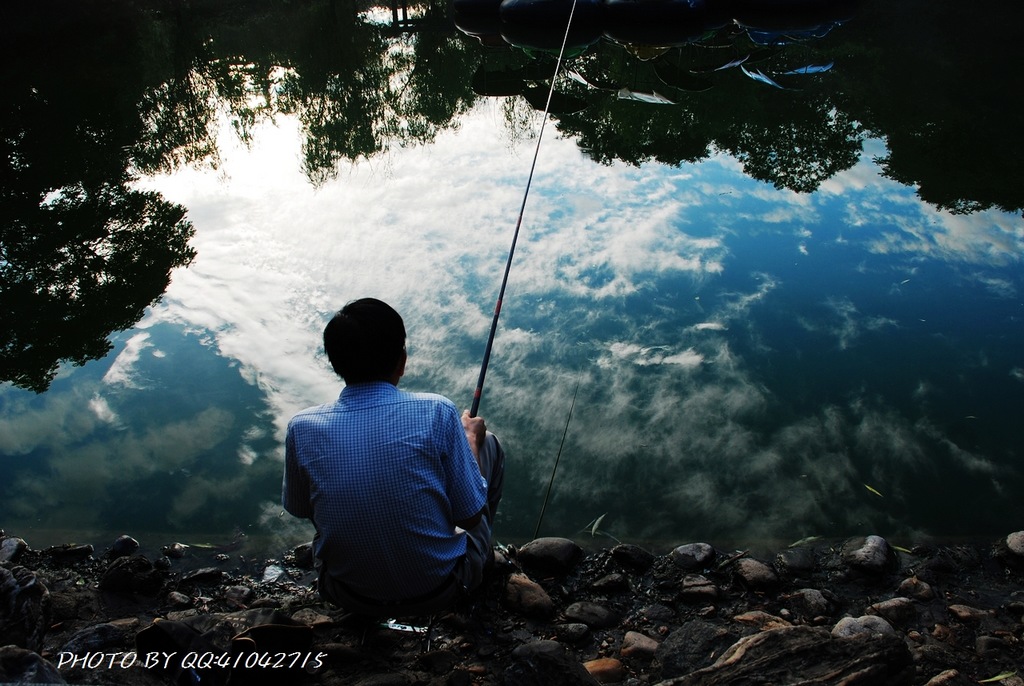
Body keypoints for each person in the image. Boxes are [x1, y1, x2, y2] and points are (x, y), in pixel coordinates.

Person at [282, 298, 505, 615]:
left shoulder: (301, 428)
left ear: (335, 364)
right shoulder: (437, 412)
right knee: (489, 443)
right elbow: (468, 518)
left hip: (346, 593)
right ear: (401, 361)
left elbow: (301, 508)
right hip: (440, 590)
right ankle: (479, 561)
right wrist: (470, 438)